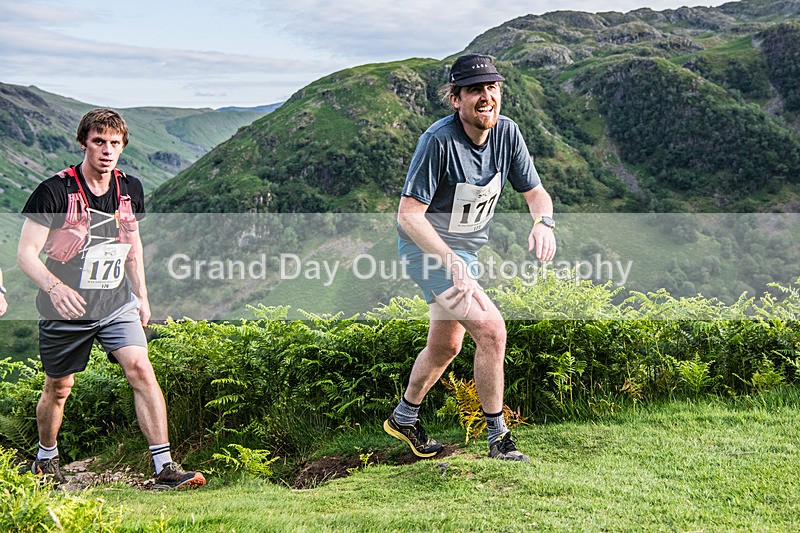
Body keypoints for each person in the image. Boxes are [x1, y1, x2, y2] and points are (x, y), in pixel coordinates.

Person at [17, 108, 205, 489]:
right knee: (59, 388)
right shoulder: (54, 191)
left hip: (116, 302)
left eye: (114, 143)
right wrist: (55, 287)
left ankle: (165, 468)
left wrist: (142, 297)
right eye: (99, 141)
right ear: (84, 143)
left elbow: (133, 246)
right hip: (65, 309)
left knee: (141, 368)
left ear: (122, 147)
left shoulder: (130, 189)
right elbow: (25, 255)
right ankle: (46, 458)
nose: (107, 150)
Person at [384, 54, 557, 461]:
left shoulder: (507, 134)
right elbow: (408, 215)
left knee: (446, 346)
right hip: (427, 248)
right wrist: (450, 261)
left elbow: (536, 193)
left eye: (492, 88)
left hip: (464, 252)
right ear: (456, 99)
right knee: (492, 331)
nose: (486, 97)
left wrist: (543, 223)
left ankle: (404, 417)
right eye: (475, 90)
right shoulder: (438, 141)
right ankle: (499, 437)